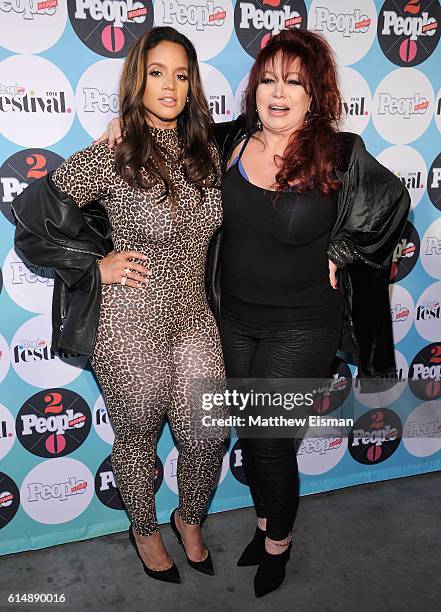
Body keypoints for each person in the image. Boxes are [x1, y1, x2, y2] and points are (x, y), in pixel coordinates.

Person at [76, 29, 411, 598]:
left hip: (302, 325)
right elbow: (163, 134)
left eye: (295, 83)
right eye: (270, 80)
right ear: (255, 88)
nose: (279, 94)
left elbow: (393, 205)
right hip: (229, 320)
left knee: (271, 440)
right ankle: (259, 527)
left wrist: (344, 249)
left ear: (316, 94)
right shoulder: (228, 141)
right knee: (240, 435)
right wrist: (118, 126)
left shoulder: (339, 153)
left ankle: (277, 544)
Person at [12, 27, 230, 585]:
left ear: (192, 86)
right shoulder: (112, 152)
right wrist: (93, 267)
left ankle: (188, 516)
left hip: (193, 315)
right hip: (128, 317)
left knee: (207, 434)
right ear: (137, 78)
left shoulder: (209, 151)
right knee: (137, 435)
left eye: (182, 75)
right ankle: (144, 529)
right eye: (157, 71)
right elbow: (33, 217)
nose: (170, 85)